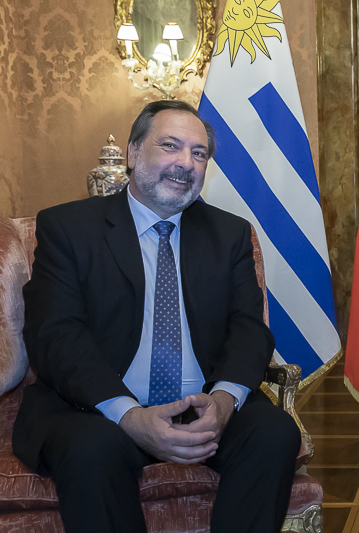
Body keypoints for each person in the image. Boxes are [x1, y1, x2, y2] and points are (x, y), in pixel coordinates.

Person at [12, 100, 301, 533]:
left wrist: (223, 403)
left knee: (274, 433)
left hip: (200, 403)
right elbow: (55, 335)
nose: (186, 163)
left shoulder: (230, 234)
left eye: (199, 153)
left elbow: (249, 329)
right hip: (97, 409)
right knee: (91, 451)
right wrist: (128, 414)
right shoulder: (69, 228)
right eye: (170, 146)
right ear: (132, 153)